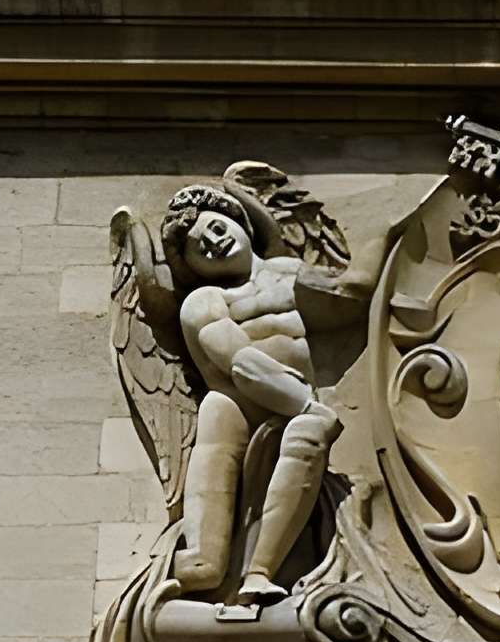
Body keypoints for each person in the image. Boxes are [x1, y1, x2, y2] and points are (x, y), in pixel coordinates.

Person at [159, 183, 380, 619]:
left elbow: (354, 292)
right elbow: (241, 363)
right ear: (192, 266)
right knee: (205, 569)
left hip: (291, 412)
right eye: (199, 247)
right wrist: (305, 403)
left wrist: (394, 232)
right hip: (236, 415)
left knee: (311, 429)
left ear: (240, 223)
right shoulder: (204, 301)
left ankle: (259, 575)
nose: (214, 242)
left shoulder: (286, 273)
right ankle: (172, 574)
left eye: (217, 228)